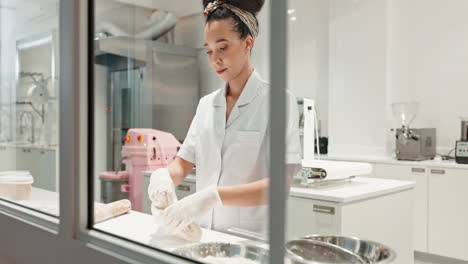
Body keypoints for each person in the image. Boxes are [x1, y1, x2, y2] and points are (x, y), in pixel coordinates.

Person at [148, 0, 301, 235]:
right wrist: (163, 176)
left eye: (223, 47)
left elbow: (281, 186)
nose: (214, 59)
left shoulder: (278, 101)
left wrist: (214, 196)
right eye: (209, 50)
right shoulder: (206, 105)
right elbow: (182, 164)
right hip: (204, 235)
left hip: (249, 240)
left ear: (247, 43)